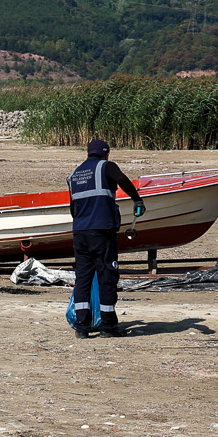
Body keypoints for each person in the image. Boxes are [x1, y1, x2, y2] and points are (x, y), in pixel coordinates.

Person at [68, 137, 144, 338]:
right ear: (106, 154)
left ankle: (82, 328)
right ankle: (108, 327)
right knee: (106, 277)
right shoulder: (106, 166)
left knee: (82, 280)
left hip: (80, 234)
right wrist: (137, 199)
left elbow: (72, 209)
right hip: (102, 232)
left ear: (87, 154)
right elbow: (123, 180)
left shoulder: (74, 175)